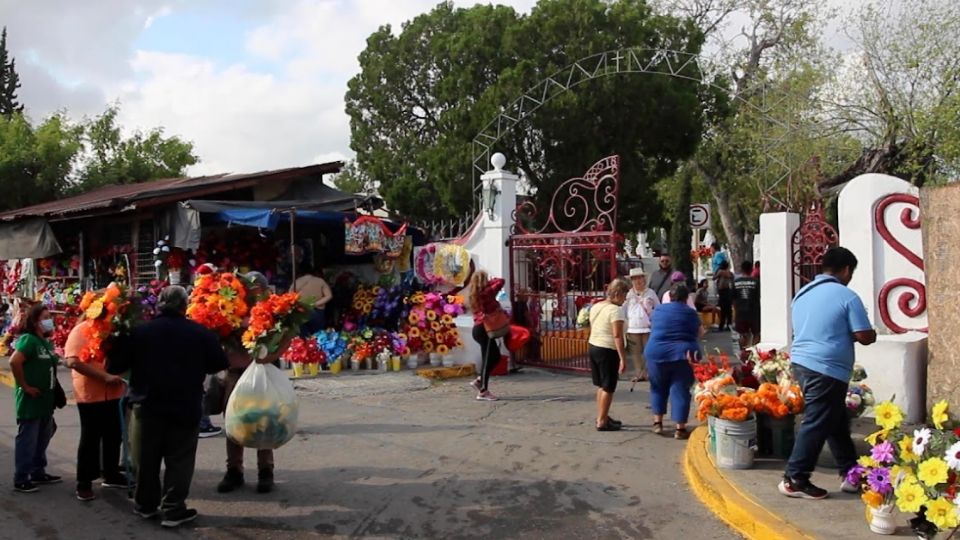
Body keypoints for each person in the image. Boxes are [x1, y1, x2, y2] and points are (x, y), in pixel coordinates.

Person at [108, 286, 228, 528]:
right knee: (180, 459)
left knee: (146, 458)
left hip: (147, 405)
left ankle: (145, 505)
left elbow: (113, 366)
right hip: (185, 404)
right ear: (185, 306)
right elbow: (218, 364)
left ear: (159, 304)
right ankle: (173, 509)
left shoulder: (139, 332)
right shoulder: (200, 333)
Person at [778, 247, 876, 500]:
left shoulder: (802, 294)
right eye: (851, 272)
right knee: (818, 420)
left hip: (802, 362)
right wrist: (870, 332)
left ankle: (851, 474)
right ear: (846, 270)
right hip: (827, 368)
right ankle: (795, 477)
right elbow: (864, 336)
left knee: (836, 420)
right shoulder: (847, 296)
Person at [218, 271, 284, 494]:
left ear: (265, 290)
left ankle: (266, 471)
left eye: (257, 288)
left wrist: (269, 356)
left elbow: (283, 341)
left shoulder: (272, 312)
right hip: (235, 373)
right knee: (233, 423)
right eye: (249, 288)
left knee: (264, 423)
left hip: (263, 374)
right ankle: (234, 471)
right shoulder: (230, 308)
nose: (252, 293)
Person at [63, 317, 129, 501]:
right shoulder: (81, 330)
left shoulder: (116, 330)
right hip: (90, 394)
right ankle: (83, 482)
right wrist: (104, 377)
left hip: (115, 392)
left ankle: (111, 473)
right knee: (90, 438)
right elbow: (72, 361)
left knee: (113, 435)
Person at [9, 304, 63, 493]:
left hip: (45, 400)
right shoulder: (29, 340)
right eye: (46, 317)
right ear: (35, 322)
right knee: (28, 438)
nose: (50, 321)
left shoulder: (45, 343)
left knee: (44, 435)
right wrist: (25, 386)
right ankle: (22, 477)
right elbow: (14, 361)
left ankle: (37, 470)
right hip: (31, 400)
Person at [644, 283, 702, 440]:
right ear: (686, 298)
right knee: (680, 389)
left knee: (657, 387)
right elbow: (699, 333)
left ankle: (658, 423)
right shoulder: (691, 314)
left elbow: (651, 325)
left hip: (656, 353)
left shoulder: (658, 311)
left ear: (670, 296)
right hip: (684, 355)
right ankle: (680, 429)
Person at [588, 278, 630, 431]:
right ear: (618, 294)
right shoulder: (615, 310)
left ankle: (602, 415)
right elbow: (617, 335)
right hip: (607, 349)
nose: (625, 299)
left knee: (601, 385)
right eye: (625, 295)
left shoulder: (597, 306)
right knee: (609, 387)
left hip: (594, 345)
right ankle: (601, 420)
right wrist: (622, 358)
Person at [468, 271, 506, 402]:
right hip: (485, 329)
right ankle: (483, 391)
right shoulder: (487, 292)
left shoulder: (474, 294)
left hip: (479, 329)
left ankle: (480, 381)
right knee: (488, 358)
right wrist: (490, 281)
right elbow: (501, 281)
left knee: (494, 357)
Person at [624, 268, 659, 383]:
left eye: (640, 277)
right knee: (635, 353)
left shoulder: (650, 293)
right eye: (635, 278)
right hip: (633, 328)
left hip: (647, 327)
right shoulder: (628, 294)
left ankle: (650, 373)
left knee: (649, 352)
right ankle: (639, 374)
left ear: (644, 279)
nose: (638, 281)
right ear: (632, 281)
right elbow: (623, 310)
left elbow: (658, 308)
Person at [292, 264, 332, 336]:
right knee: (318, 337)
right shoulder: (320, 281)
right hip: (317, 312)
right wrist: (315, 304)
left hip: (301, 312)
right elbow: (329, 296)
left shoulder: (296, 282)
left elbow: (290, 297)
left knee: (303, 338)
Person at [733, 260, 761, 348]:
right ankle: (754, 354)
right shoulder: (756, 282)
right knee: (756, 334)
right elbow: (759, 296)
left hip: (740, 312)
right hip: (754, 312)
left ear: (742, 269)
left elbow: (733, 299)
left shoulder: (736, 282)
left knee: (742, 334)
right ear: (751, 269)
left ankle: (743, 353)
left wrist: (736, 310)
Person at [714, 261, 735, 331]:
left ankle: (721, 326)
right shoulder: (729, 273)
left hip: (722, 291)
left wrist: (717, 269)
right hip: (728, 291)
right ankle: (729, 324)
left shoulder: (720, 272)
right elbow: (732, 279)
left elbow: (714, 277)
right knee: (728, 309)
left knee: (723, 309)